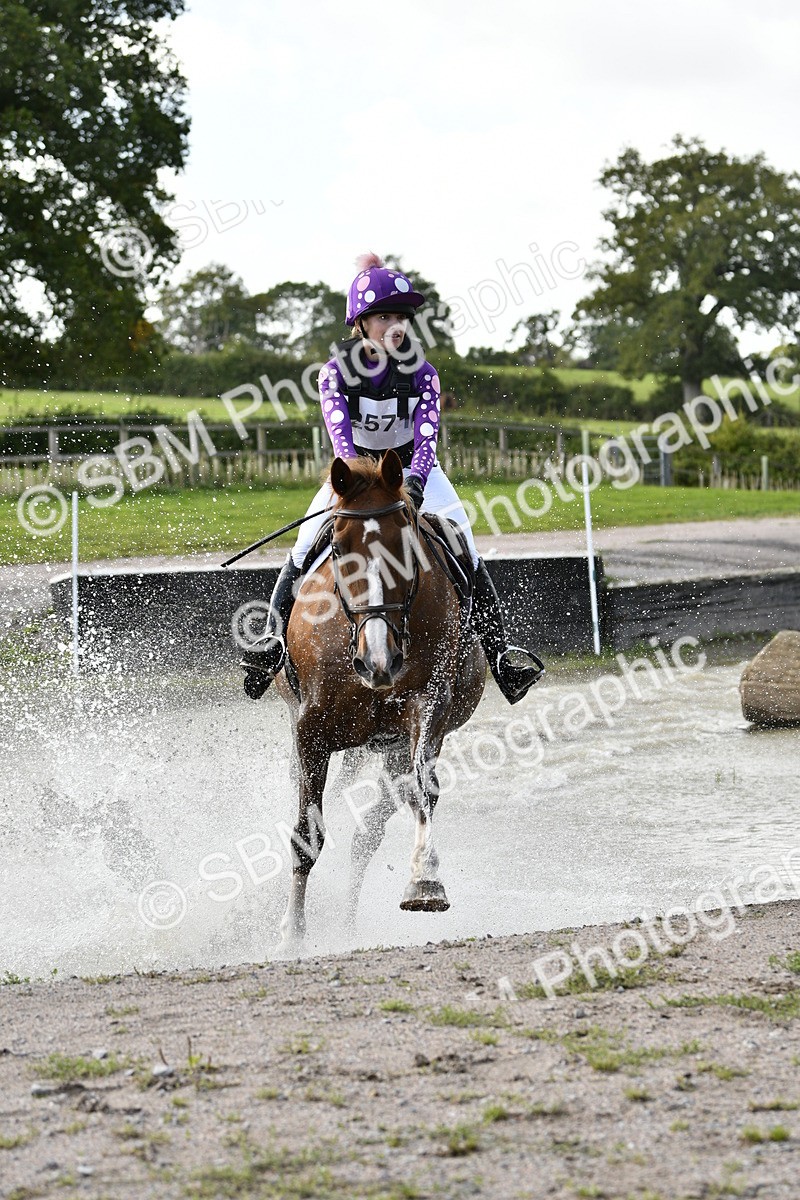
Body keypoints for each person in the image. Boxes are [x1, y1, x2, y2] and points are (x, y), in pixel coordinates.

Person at [241, 253, 543, 704]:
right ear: (361, 324)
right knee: (304, 547)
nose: (395, 325)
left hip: (417, 471)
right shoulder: (334, 375)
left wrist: (416, 483)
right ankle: (272, 643)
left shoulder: (424, 374)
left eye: (401, 316)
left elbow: (426, 441)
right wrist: (357, 485)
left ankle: (501, 657)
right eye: (384, 316)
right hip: (357, 476)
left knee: (466, 546)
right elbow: (343, 445)